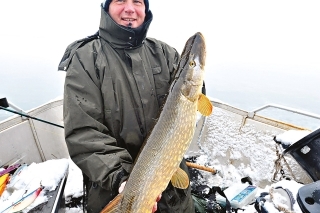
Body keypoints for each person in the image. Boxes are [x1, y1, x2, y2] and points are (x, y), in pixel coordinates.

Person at [59, 0, 195, 212]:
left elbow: (186, 107)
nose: (130, 8)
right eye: (120, 0)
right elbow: (84, 132)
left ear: (145, 8)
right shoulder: (86, 59)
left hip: (172, 195)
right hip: (114, 190)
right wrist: (122, 179)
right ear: (106, 7)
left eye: (137, 1)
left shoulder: (165, 53)